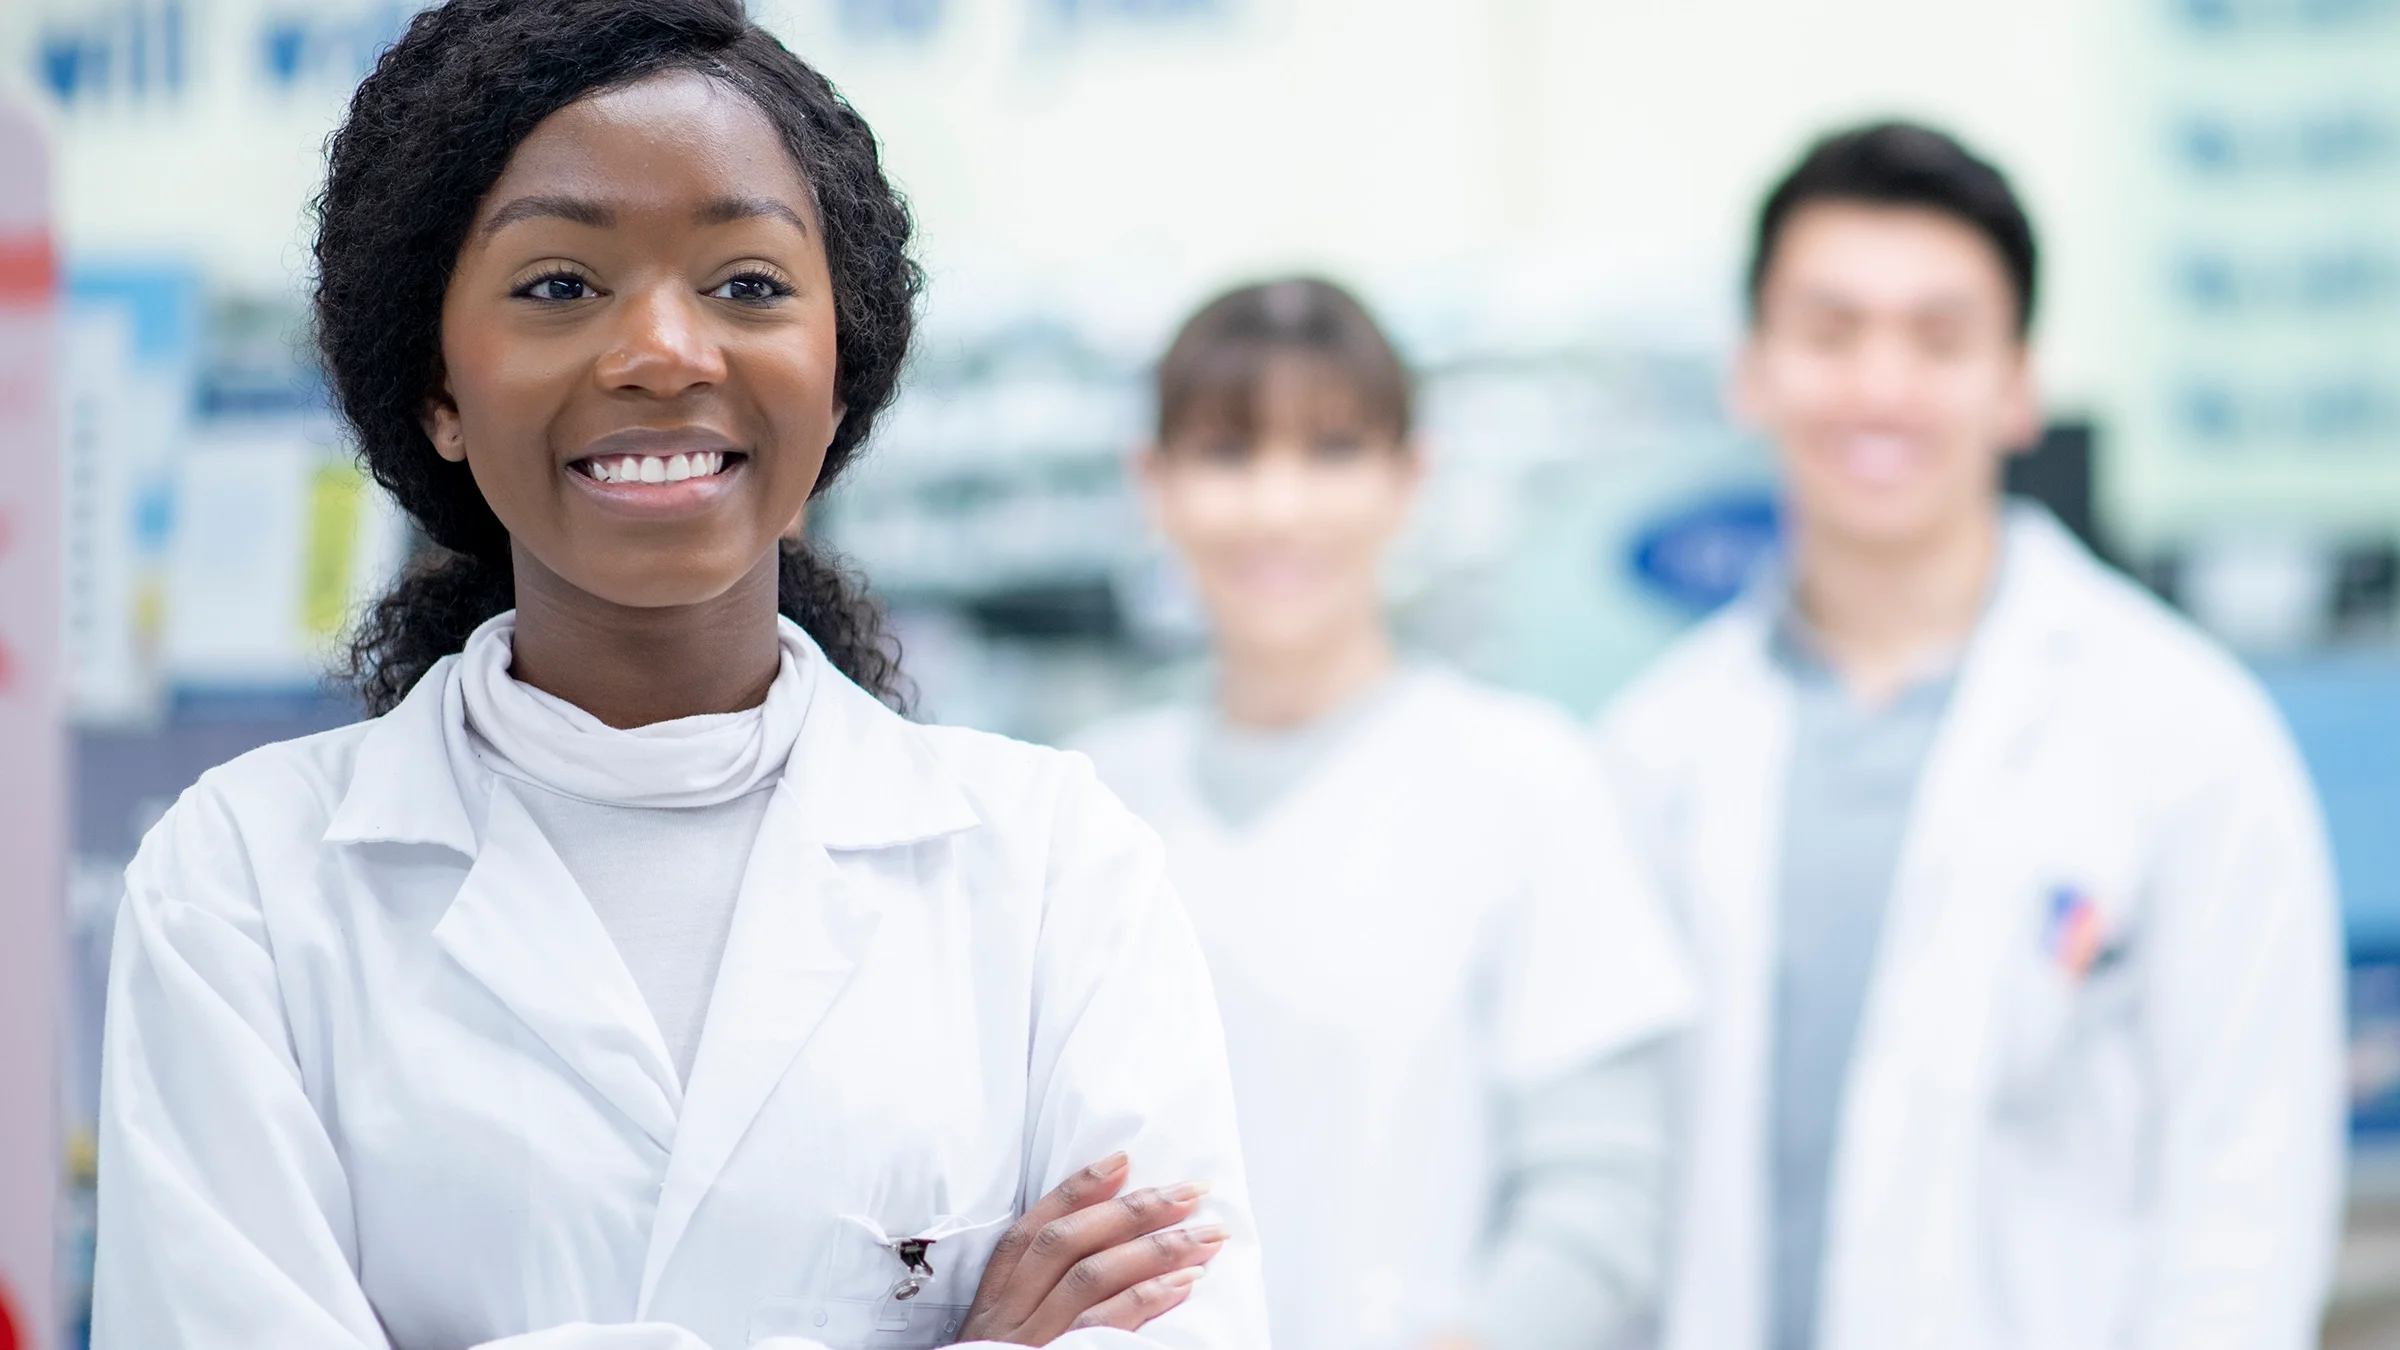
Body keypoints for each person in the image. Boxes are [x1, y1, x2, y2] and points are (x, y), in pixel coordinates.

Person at [91, 3, 1269, 1347]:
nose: (662, 351)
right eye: (558, 285)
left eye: (748, 284)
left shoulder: (1057, 869)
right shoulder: (242, 885)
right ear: (438, 387)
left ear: (841, 373)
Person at [1597, 122, 2346, 1350]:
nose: (1880, 387)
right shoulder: (1650, 752)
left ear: (2017, 385)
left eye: (1939, 339)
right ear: (1753, 370)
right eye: (1830, 332)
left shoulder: (2186, 739)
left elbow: (2246, 1205)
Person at [1075, 278, 1695, 1350]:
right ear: (1153, 482)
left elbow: (1601, 1205)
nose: (1279, 506)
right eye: (1227, 452)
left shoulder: (1525, 779)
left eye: (1332, 451)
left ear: (1411, 479)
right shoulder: (1089, 808)